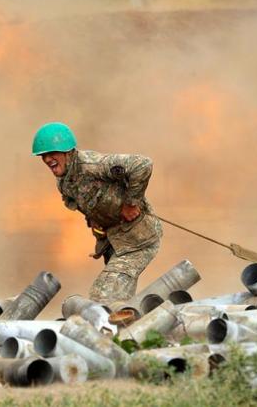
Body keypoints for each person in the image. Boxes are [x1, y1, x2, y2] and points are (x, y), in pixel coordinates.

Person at [32, 122, 162, 303]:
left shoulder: (92, 165)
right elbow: (86, 203)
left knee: (104, 295)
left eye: (52, 153)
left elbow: (142, 165)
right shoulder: (64, 183)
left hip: (138, 239)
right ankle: (129, 327)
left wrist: (131, 203)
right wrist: (95, 221)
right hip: (114, 242)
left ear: (68, 152)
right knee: (119, 300)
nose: (47, 159)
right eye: (43, 156)